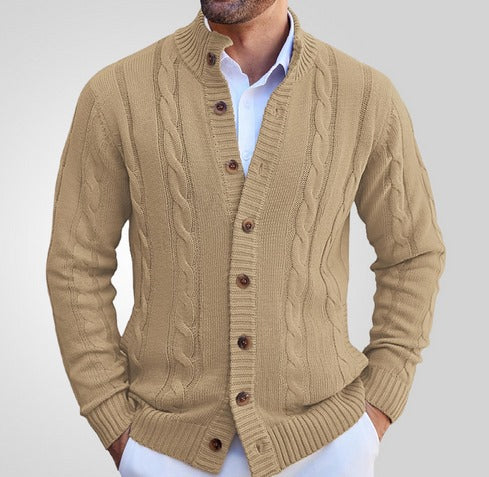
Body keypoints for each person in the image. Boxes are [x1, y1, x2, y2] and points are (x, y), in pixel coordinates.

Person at [45, 1, 446, 476]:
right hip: (164, 449)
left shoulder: (365, 97)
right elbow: (76, 265)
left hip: (328, 445)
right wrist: (114, 422)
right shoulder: (117, 94)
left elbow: (412, 254)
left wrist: (377, 407)